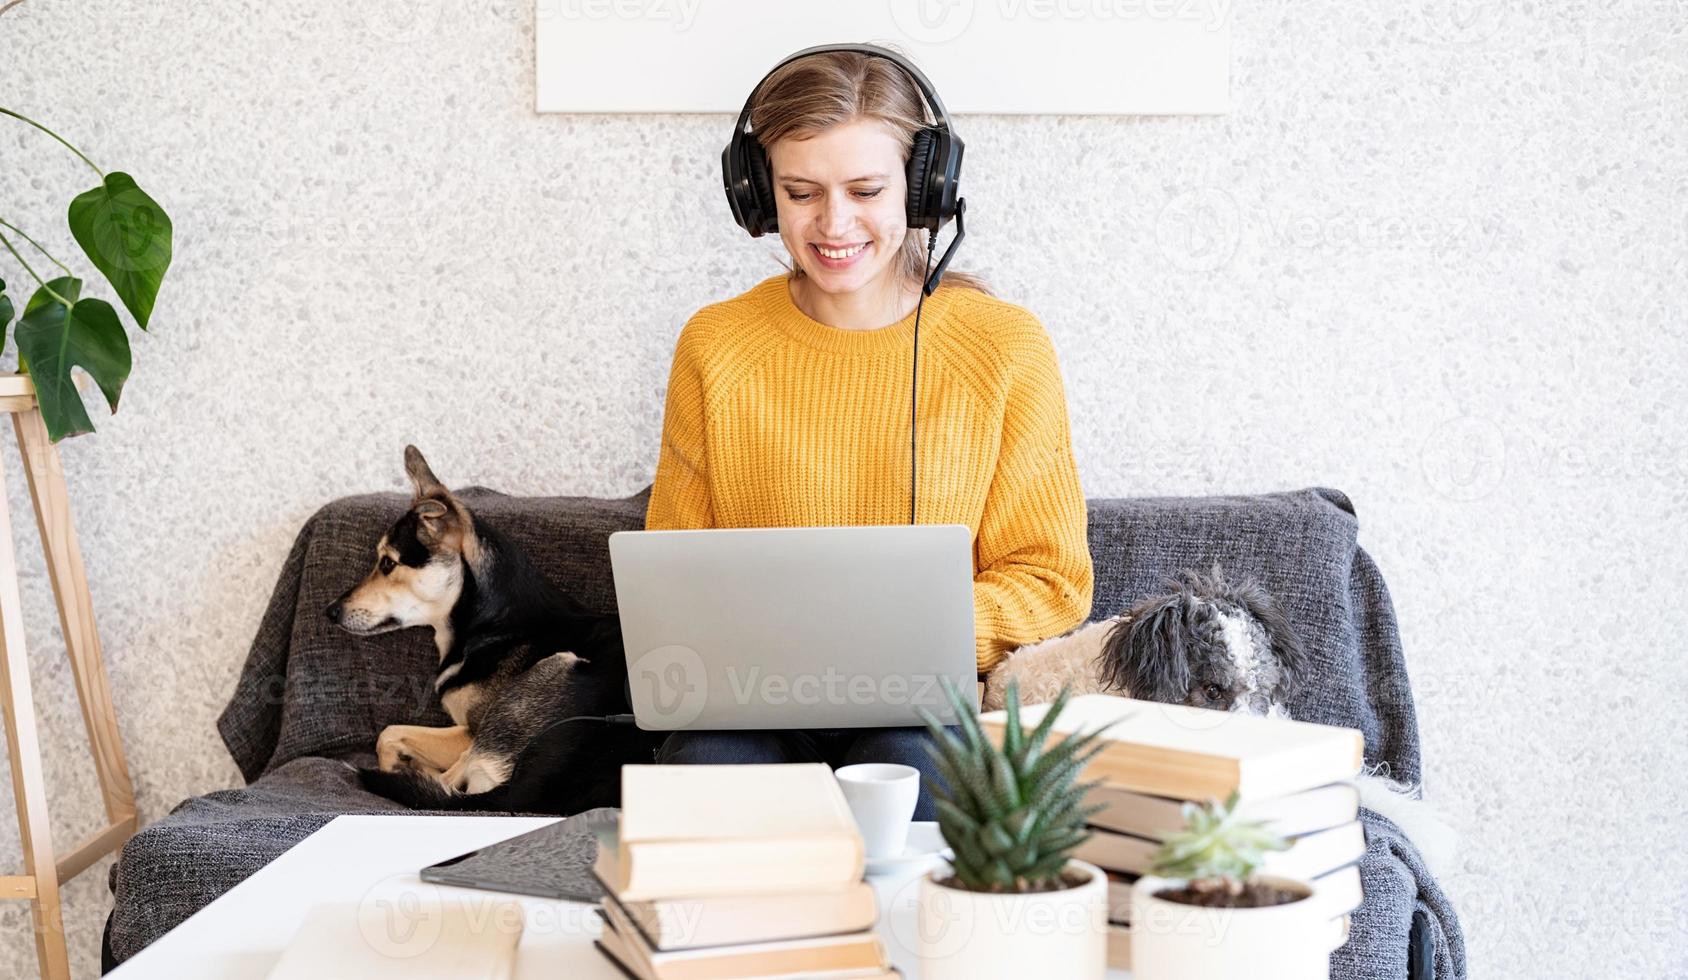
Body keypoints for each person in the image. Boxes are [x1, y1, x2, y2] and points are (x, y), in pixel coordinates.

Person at [643, 44, 1093, 820]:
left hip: (921, 705)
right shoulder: (715, 343)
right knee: (707, 776)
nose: (833, 222)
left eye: (865, 189)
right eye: (801, 191)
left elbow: (1051, 579)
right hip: (749, 702)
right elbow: (673, 573)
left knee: (913, 775)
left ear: (925, 189)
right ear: (758, 196)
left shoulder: (1005, 346)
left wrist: (909, 634)